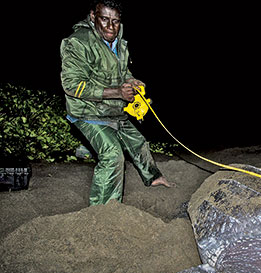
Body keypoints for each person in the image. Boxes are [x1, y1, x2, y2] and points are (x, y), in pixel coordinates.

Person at [60, 0, 175, 206]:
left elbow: (121, 73)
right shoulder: (78, 43)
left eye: (116, 21)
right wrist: (117, 92)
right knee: (112, 155)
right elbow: (71, 85)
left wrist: (131, 81)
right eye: (105, 19)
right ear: (93, 17)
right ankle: (104, 211)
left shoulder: (118, 41)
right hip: (87, 112)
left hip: (112, 109)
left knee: (138, 142)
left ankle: (154, 177)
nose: (111, 27)